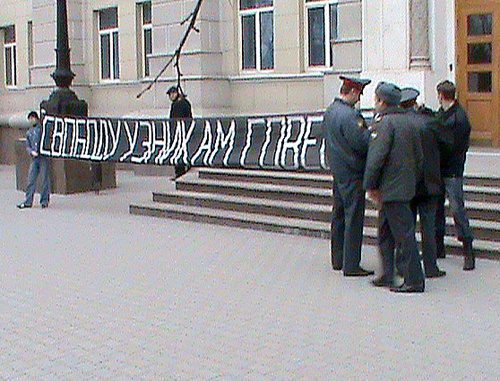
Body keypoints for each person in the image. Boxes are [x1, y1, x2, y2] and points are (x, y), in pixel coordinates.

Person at [364, 82, 425, 293]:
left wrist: (370, 186)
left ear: (382, 101)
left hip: (390, 190)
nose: (375, 104)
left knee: (403, 237)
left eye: (376, 100)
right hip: (403, 188)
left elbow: (376, 159)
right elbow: (419, 158)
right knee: (386, 233)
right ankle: (387, 274)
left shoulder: (384, 124)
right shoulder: (409, 121)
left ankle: (414, 279)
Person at [322, 75, 375, 277]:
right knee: (353, 218)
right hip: (353, 173)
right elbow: (362, 143)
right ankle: (351, 264)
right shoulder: (351, 116)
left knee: (339, 215)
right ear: (352, 92)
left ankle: (338, 259)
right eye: (359, 94)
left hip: (338, 171)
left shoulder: (330, 111)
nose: (359, 98)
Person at [399, 87, 451, 278]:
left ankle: (405, 265)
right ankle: (430, 266)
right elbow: (448, 144)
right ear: (415, 102)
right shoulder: (430, 122)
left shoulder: (400, 124)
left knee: (407, 227)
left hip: (409, 183)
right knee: (428, 227)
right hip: (430, 183)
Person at [435, 80, 475, 270]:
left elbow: (452, 146)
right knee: (437, 208)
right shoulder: (445, 113)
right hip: (441, 169)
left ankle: (468, 250)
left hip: (452, 171)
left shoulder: (458, 118)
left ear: (442, 96)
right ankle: (438, 247)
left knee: (457, 209)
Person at [17, 111, 51, 209]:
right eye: (30, 119)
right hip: (34, 158)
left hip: (43, 156)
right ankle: (28, 200)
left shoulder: (42, 129)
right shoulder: (29, 132)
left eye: (33, 118)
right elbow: (28, 145)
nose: (32, 120)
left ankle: (44, 201)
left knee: (45, 179)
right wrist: (31, 152)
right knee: (31, 179)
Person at [167, 85, 193, 179]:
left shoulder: (178, 104)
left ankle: (180, 173)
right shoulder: (184, 102)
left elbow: (174, 118)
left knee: (178, 153)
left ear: (175, 93)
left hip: (179, 132)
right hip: (184, 131)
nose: (170, 97)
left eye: (171, 94)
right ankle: (183, 171)